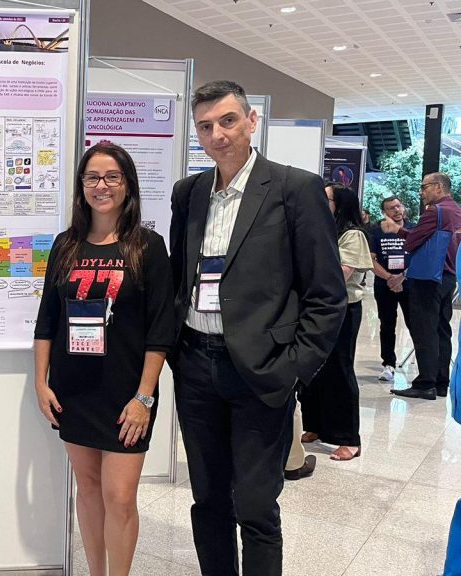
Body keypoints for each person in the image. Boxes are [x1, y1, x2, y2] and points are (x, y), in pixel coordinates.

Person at [169, 80, 346, 576]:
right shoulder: (190, 193)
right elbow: (183, 279)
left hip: (261, 372)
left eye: (227, 121)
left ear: (251, 121)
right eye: (205, 126)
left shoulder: (294, 188)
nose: (217, 134)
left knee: (255, 506)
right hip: (197, 366)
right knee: (208, 501)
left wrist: (294, 369)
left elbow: (326, 294)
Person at [34, 142, 174, 576]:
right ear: (81, 187)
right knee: (89, 489)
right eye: (92, 177)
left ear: (128, 185)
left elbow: (161, 330)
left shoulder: (147, 246)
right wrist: (41, 382)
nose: (102, 186)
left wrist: (144, 398)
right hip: (73, 389)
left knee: (120, 496)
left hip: (125, 393)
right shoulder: (65, 245)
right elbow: (46, 321)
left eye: (112, 177)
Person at [300, 183, 372, 461]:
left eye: (327, 199)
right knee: (312, 366)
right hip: (314, 307)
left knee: (339, 370)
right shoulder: (321, 229)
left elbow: (340, 274)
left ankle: (348, 438)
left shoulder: (352, 235)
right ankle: (316, 425)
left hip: (342, 309)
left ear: (340, 204)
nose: (321, 202)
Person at [391, 172, 460, 400]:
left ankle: (425, 383)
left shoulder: (435, 212)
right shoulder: (457, 211)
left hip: (427, 278)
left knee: (424, 330)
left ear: (439, 187)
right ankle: (441, 382)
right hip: (448, 276)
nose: (421, 192)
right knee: (442, 328)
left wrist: (398, 231)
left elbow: (412, 243)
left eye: (424, 187)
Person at [369, 196, 413, 381]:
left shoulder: (414, 228)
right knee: (387, 325)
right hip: (384, 283)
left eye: (398, 206)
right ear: (384, 212)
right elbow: (371, 259)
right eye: (391, 208)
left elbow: (420, 256)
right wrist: (389, 278)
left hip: (409, 282)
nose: (396, 211)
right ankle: (388, 364)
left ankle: (423, 361)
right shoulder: (375, 231)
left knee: (415, 323)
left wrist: (401, 278)